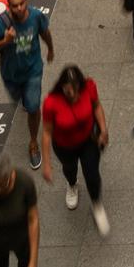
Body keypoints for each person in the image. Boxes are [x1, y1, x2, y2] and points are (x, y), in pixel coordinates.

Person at [0, 0, 55, 170]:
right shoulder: (0, 23)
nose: (20, 8)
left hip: (33, 71)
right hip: (10, 75)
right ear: (9, 6)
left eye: (22, 3)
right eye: (15, 6)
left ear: (27, 1)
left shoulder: (35, 16)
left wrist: (51, 49)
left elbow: (45, 32)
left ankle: (33, 143)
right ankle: (23, 100)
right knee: (17, 98)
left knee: (32, 107)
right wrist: (5, 42)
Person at [41, 64, 110, 236]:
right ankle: (72, 184)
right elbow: (47, 133)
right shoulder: (51, 103)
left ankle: (97, 205)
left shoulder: (89, 86)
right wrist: (47, 164)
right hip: (64, 145)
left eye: (73, 90)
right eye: (66, 90)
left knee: (92, 173)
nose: (70, 94)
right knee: (69, 169)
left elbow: (96, 106)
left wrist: (103, 129)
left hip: (88, 141)